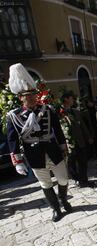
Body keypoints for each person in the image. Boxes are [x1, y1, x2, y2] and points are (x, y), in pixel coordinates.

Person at [6, 63, 72, 222]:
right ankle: (55, 209)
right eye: (28, 95)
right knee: (45, 183)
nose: (32, 98)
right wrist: (18, 161)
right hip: (34, 154)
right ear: (21, 97)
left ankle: (63, 199)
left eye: (33, 94)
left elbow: (57, 129)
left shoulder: (47, 109)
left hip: (53, 150)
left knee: (63, 179)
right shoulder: (13, 116)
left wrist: (64, 147)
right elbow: (12, 139)